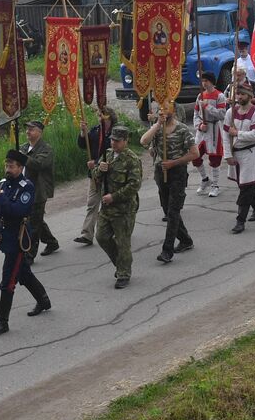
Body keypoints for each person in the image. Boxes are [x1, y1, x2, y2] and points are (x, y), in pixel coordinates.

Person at [0, 148, 50, 335]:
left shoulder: (27, 187)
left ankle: (2, 321)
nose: (7, 168)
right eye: (6, 165)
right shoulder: (3, 184)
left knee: (8, 280)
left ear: (20, 167)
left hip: (18, 239)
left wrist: (0, 197)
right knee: (23, 273)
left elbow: (18, 211)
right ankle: (43, 299)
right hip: (5, 236)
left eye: (11, 166)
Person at [141, 104, 198, 263]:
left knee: (173, 212)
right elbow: (143, 140)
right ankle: (186, 240)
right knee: (167, 209)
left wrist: (174, 163)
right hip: (161, 172)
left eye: (166, 109)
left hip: (177, 173)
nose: (162, 112)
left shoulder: (182, 129)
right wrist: (157, 124)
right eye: (160, 110)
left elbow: (194, 153)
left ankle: (167, 251)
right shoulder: (157, 128)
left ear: (173, 111)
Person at [94, 124, 143, 288]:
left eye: (117, 141)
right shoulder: (107, 155)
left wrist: (114, 197)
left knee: (123, 243)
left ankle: (124, 274)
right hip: (106, 208)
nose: (114, 143)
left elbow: (134, 186)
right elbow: (95, 176)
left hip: (123, 209)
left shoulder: (132, 160)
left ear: (126, 141)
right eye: (112, 140)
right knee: (101, 237)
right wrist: (99, 170)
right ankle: (121, 264)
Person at [222, 82, 255, 233]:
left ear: (249, 95)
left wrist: (238, 134)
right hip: (235, 152)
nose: (239, 97)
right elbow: (225, 135)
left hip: (250, 154)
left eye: (242, 94)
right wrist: (227, 154)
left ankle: (240, 221)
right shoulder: (231, 112)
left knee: (246, 187)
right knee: (245, 185)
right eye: (237, 94)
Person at [74, 107, 119, 245]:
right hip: (94, 174)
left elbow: (117, 152)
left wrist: (98, 162)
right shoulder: (95, 130)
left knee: (111, 204)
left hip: (112, 174)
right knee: (92, 203)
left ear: (108, 116)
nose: (99, 117)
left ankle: (119, 230)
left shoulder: (116, 132)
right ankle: (87, 234)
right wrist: (83, 132)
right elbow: (82, 144)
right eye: (98, 115)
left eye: (101, 114)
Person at [22, 120, 59, 256]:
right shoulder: (24, 147)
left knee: (33, 225)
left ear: (39, 132)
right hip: (24, 190)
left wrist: (21, 157)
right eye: (27, 129)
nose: (28, 131)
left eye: (31, 129)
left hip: (38, 191)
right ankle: (51, 242)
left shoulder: (46, 149)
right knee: (36, 219)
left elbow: (38, 164)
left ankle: (30, 255)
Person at [193, 72, 228, 196]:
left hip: (214, 129)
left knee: (214, 158)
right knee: (195, 156)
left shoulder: (220, 96)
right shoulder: (200, 96)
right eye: (203, 81)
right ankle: (205, 179)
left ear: (212, 82)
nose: (204, 83)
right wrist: (199, 125)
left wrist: (207, 106)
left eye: (206, 81)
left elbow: (222, 114)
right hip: (202, 130)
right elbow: (196, 114)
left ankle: (215, 185)